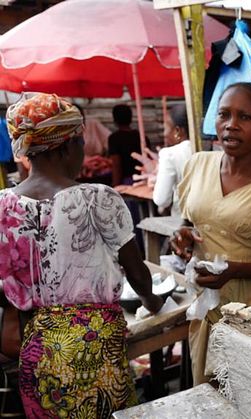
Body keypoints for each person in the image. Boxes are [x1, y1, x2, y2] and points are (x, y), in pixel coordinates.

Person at [0, 93, 164, 418]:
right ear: (66, 146)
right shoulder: (100, 198)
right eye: (81, 142)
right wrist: (152, 302)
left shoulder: (3, 205)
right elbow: (136, 271)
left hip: (36, 348)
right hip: (96, 345)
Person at [170, 82, 251, 384]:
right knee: (206, 394)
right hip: (204, 305)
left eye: (244, 117)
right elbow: (189, 223)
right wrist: (183, 237)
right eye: (224, 115)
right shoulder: (197, 165)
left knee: (242, 396)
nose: (231, 125)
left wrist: (234, 270)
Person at [152, 104, 192, 216]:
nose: (164, 134)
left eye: (166, 127)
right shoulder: (209, 149)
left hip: (184, 223)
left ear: (178, 131)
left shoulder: (169, 154)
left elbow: (161, 200)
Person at [108, 104, 148, 186]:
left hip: (126, 182)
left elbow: (116, 164)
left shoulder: (114, 138)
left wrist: (115, 185)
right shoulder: (142, 137)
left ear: (115, 119)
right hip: (144, 179)